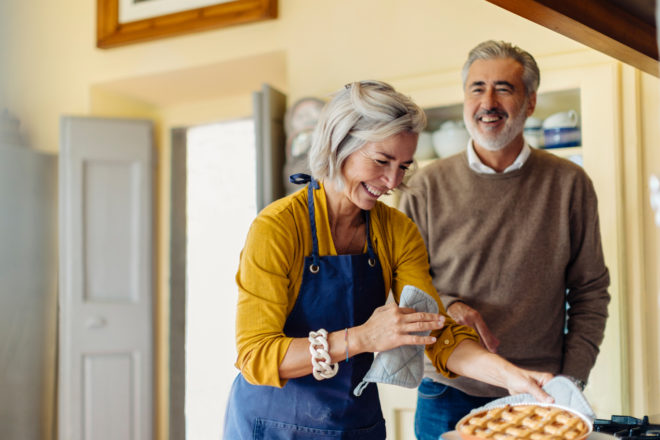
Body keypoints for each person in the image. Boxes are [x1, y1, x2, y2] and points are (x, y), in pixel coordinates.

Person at [223, 80, 556, 439]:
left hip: (354, 423)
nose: (392, 180)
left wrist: (510, 376)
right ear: (340, 144)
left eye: (403, 166)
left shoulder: (397, 231)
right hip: (272, 425)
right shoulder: (277, 229)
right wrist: (362, 338)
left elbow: (434, 331)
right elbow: (256, 356)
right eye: (382, 161)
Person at [400, 40, 611, 439]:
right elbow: (405, 290)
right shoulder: (422, 187)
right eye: (477, 88)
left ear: (530, 103)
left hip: (540, 391)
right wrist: (450, 306)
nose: (488, 101)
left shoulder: (569, 184)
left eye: (504, 88)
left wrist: (571, 380)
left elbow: (591, 292)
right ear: (464, 98)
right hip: (446, 391)